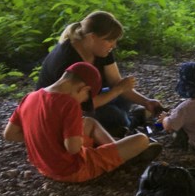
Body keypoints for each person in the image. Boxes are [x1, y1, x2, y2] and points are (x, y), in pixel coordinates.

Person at [3, 62, 162, 183]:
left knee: (88, 122)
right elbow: (73, 148)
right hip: (73, 169)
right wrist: (72, 137)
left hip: (44, 166)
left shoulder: (30, 97)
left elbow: (9, 134)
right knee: (142, 139)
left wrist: (44, 138)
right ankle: (121, 158)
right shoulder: (69, 104)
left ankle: (116, 148)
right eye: (85, 98)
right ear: (83, 89)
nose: (82, 103)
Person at [36, 11, 164, 136]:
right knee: (115, 116)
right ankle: (129, 122)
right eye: (110, 40)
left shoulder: (101, 50)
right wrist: (117, 90)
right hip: (62, 110)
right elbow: (79, 105)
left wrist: (146, 102)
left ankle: (122, 125)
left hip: (90, 98)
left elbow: (116, 83)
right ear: (92, 37)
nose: (113, 45)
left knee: (124, 99)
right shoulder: (66, 59)